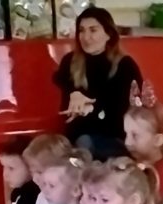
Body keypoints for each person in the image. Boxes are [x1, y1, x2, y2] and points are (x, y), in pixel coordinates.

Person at [54, 6, 142, 160]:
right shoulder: (70, 62)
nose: (86, 37)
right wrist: (74, 95)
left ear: (109, 34)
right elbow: (67, 113)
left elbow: (125, 114)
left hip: (114, 138)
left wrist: (91, 109)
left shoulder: (125, 65)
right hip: (77, 138)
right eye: (81, 30)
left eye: (93, 30)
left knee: (85, 143)